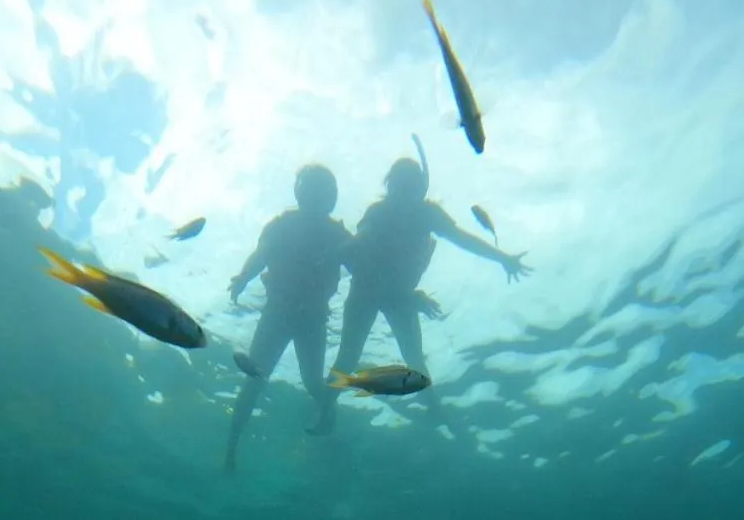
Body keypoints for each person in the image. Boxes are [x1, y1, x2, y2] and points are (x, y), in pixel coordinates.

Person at [308, 154, 532, 435]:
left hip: (399, 294)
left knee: (411, 360)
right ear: (391, 187)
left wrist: (502, 258)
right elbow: (361, 245)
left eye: (410, 187)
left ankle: (434, 410)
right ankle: (326, 410)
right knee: (350, 358)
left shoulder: (427, 214)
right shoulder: (380, 212)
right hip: (369, 288)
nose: (404, 195)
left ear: (419, 189)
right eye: (400, 187)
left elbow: (462, 239)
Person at [224, 164, 351, 471]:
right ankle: (231, 448)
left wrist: (243, 278)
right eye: (313, 190)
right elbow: (261, 255)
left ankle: (232, 448)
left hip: (305, 317)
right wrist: (243, 277)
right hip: (282, 313)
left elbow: (361, 264)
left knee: (306, 382)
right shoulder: (291, 227)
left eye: (322, 191)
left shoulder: (337, 234)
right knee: (258, 381)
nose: (317, 197)